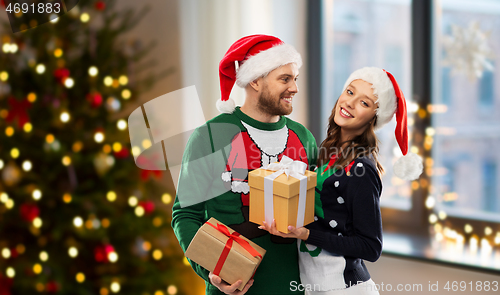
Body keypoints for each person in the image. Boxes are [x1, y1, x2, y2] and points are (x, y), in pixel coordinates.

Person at [171, 34, 318, 295]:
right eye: (285, 79)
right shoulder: (210, 136)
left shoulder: (303, 138)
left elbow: (317, 212)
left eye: (295, 78)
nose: (294, 88)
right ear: (255, 80)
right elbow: (186, 215)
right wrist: (212, 273)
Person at [260, 67, 422, 295]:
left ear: (374, 118)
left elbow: (371, 246)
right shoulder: (326, 151)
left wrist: (306, 234)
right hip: (313, 283)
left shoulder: (362, 170)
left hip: (345, 288)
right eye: (349, 92)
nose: (350, 103)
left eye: (364, 103)